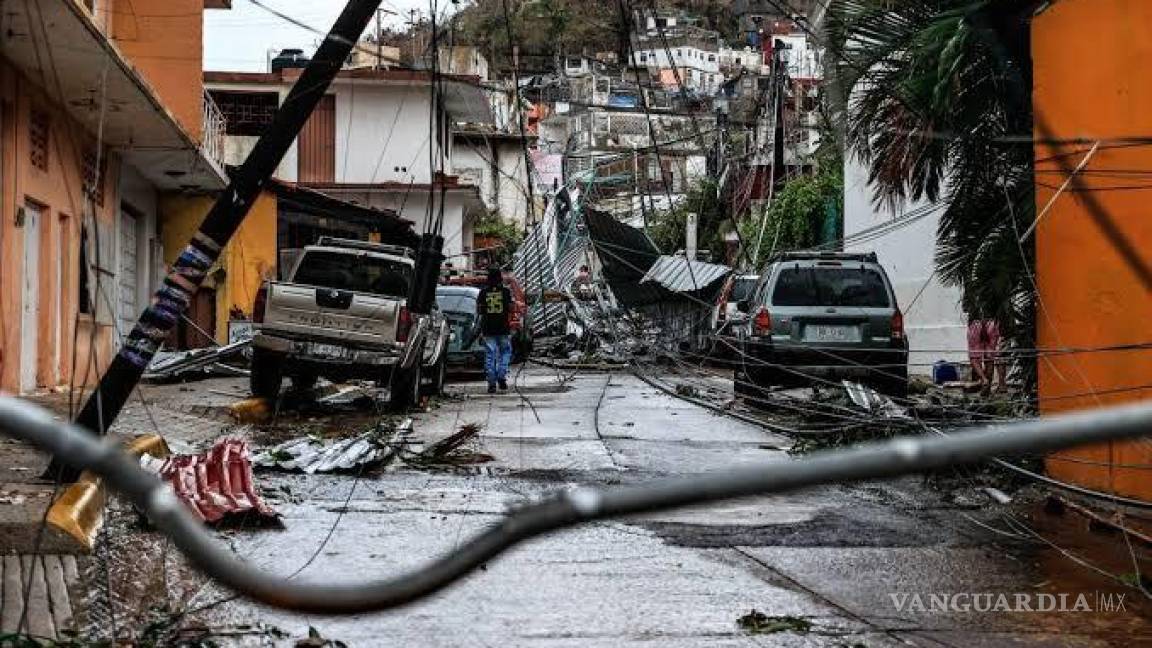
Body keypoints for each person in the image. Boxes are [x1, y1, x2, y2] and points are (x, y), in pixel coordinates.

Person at [477, 267, 514, 394]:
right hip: (503, 328)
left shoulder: (483, 293)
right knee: (505, 352)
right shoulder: (506, 292)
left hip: (488, 328)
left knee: (490, 355)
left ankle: (491, 383)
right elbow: (510, 308)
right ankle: (501, 376)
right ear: (500, 278)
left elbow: (479, 311)